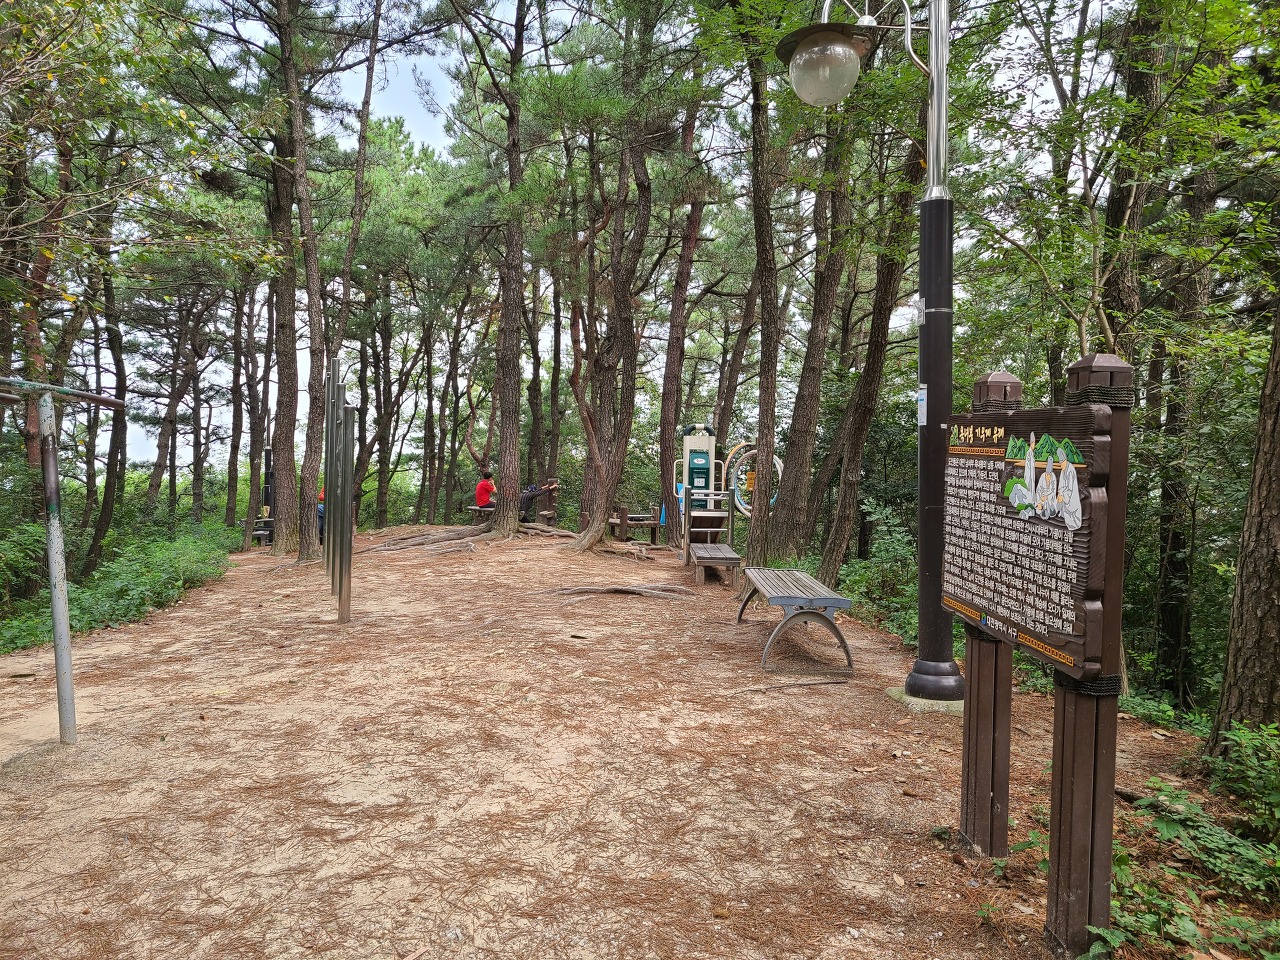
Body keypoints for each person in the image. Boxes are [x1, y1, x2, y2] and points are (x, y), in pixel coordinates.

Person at [1056, 448, 1082, 531]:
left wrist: (1063, 496)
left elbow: (1070, 489)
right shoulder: (1063, 470)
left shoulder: (1070, 470)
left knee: (1073, 513)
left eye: (1062, 463)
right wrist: (1060, 494)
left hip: (1071, 496)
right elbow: (1061, 486)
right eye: (1060, 464)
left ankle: (1075, 524)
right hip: (1065, 495)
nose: (1061, 465)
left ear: (1065, 461)